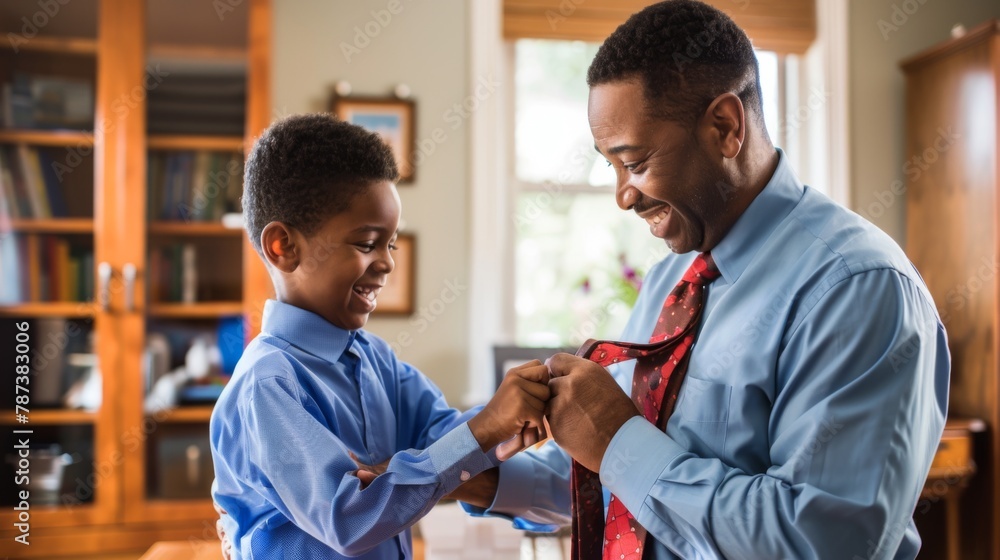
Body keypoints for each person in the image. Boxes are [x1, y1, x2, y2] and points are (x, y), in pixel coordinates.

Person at [462, 1, 950, 558]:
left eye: (637, 162)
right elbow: (630, 484)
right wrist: (479, 479)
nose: (623, 195)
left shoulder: (856, 289)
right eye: (611, 166)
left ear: (724, 126)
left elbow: (822, 542)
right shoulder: (672, 277)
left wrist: (620, 442)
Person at [209, 114, 550, 559]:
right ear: (283, 247)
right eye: (367, 243)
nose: (388, 263)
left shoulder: (377, 360)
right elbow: (351, 518)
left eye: (390, 244)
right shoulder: (268, 385)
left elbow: (444, 434)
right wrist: (485, 429)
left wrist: (508, 417)